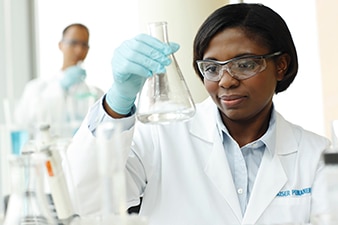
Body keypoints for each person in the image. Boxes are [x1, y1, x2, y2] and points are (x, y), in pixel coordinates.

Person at [66, 3, 331, 225]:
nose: (226, 81)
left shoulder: (315, 155)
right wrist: (118, 101)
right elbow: (86, 199)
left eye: (245, 64)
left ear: (281, 66)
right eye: (212, 68)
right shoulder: (160, 136)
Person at [15, 23, 103, 138]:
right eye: (74, 43)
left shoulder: (95, 94)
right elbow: (22, 121)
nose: (79, 50)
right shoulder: (37, 87)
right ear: (60, 45)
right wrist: (60, 88)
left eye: (84, 45)